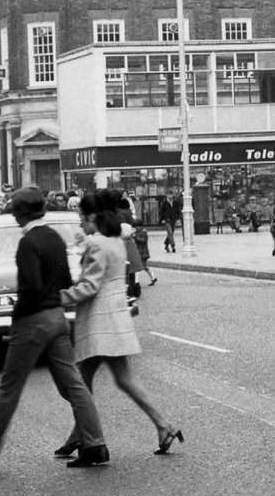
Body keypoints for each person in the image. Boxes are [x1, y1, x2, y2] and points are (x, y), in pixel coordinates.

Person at [0, 186, 107, 470]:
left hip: (32, 321)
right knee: (74, 384)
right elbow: (66, 279)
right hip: (58, 317)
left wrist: (20, 316)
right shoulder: (55, 238)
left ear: (19, 214)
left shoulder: (28, 243)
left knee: (9, 387)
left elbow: (31, 286)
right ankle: (95, 444)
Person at [55, 190, 183, 458]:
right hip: (115, 316)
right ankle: (161, 425)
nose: (80, 222)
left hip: (98, 320)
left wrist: (57, 297)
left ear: (93, 217)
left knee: (81, 383)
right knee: (113, 380)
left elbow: (89, 286)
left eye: (82, 217)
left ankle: (84, 436)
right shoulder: (115, 241)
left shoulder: (98, 244)